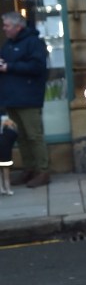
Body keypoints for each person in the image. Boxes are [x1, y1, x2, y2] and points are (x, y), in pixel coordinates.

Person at [0, 11, 49, 187]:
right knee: (20, 136)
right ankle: (29, 169)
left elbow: (37, 66)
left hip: (28, 97)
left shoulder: (33, 42)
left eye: (6, 26)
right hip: (11, 98)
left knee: (33, 135)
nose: (4, 29)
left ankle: (43, 171)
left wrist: (9, 67)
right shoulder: (8, 44)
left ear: (17, 27)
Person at [0, 115, 19, 194]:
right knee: (5, 170)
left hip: (4, 150)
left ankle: (2, 188)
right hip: (5, 152)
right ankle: (7, 188)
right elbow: (15, 133)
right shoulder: (11, 132)